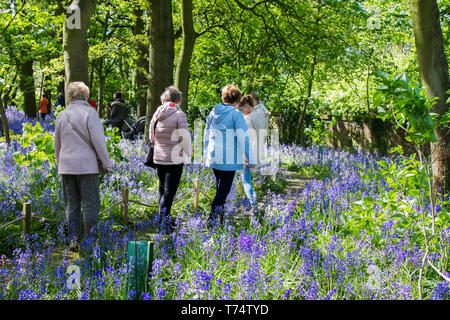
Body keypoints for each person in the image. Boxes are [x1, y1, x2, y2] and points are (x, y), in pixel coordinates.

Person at [54, 81, 114, 250]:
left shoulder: (62, 115)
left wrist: (61, 164)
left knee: (71, 205)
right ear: (85, 96)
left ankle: (74, 240)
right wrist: (107, 164)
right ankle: (90, 240)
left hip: (66, 167)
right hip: (87, 167)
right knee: (91, 204)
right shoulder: (90, 114)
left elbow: (57, 145)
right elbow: (99, 143)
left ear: (70, 96)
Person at [203, 85, 255, 227]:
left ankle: (219, 221)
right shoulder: (236, 115)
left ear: (223, 97)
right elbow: (243, 137)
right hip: (229, 159)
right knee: (223, 192)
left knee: (221, 189)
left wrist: (206, 155)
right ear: (238, 100)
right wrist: (251, 159)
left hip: (214, 157)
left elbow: (206, 135)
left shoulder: (213, 112)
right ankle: (212, 221)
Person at [149, 86, 192, 233]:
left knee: (162, 189)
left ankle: (165, 220)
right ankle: (162, 221)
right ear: (177, 100)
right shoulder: (179, 114)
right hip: (174, 159)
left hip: (158, 158)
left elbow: (151, 136)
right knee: (169, 192)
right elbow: (184, 137)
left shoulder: (157, 113)